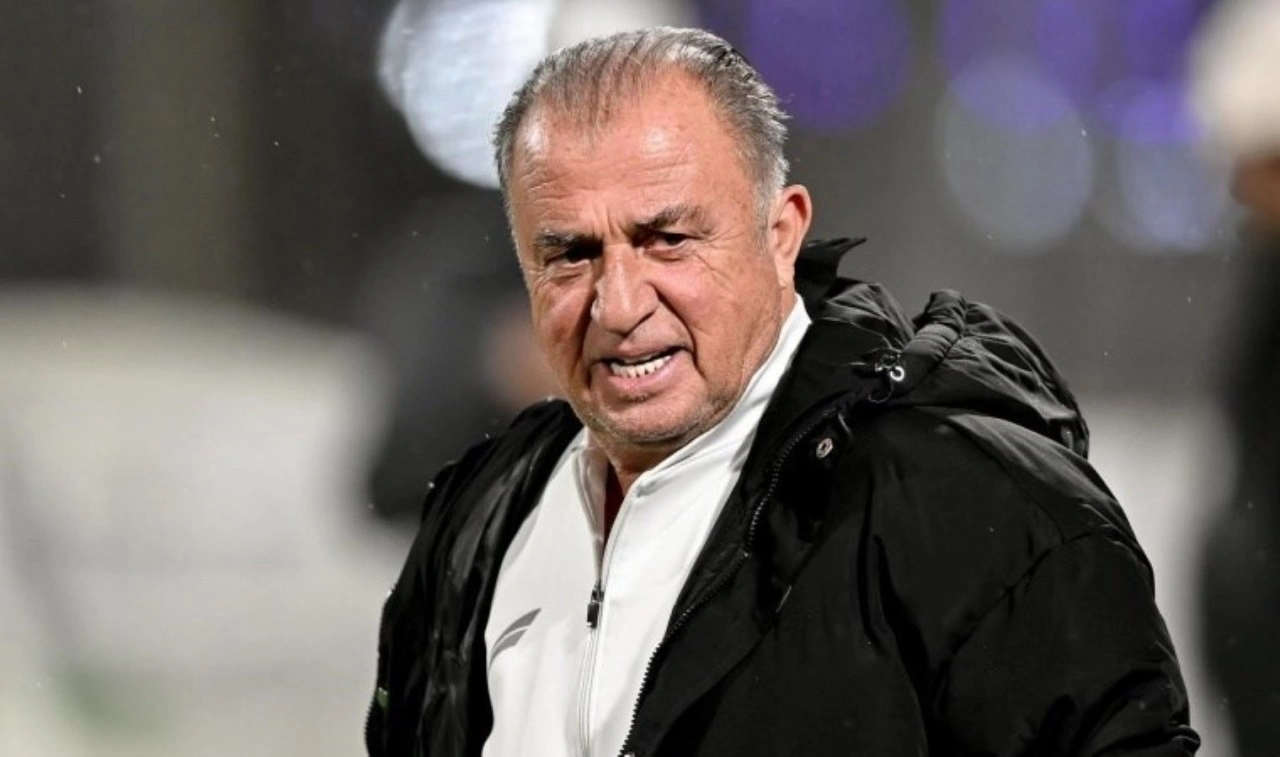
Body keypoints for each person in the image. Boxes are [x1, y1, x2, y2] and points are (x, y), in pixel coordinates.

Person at [366, 27, 1198, 757]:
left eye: (668, 239)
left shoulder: (978, 511)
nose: (617, 305)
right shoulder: (479, 520)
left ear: (782, 233)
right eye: (571, 254)